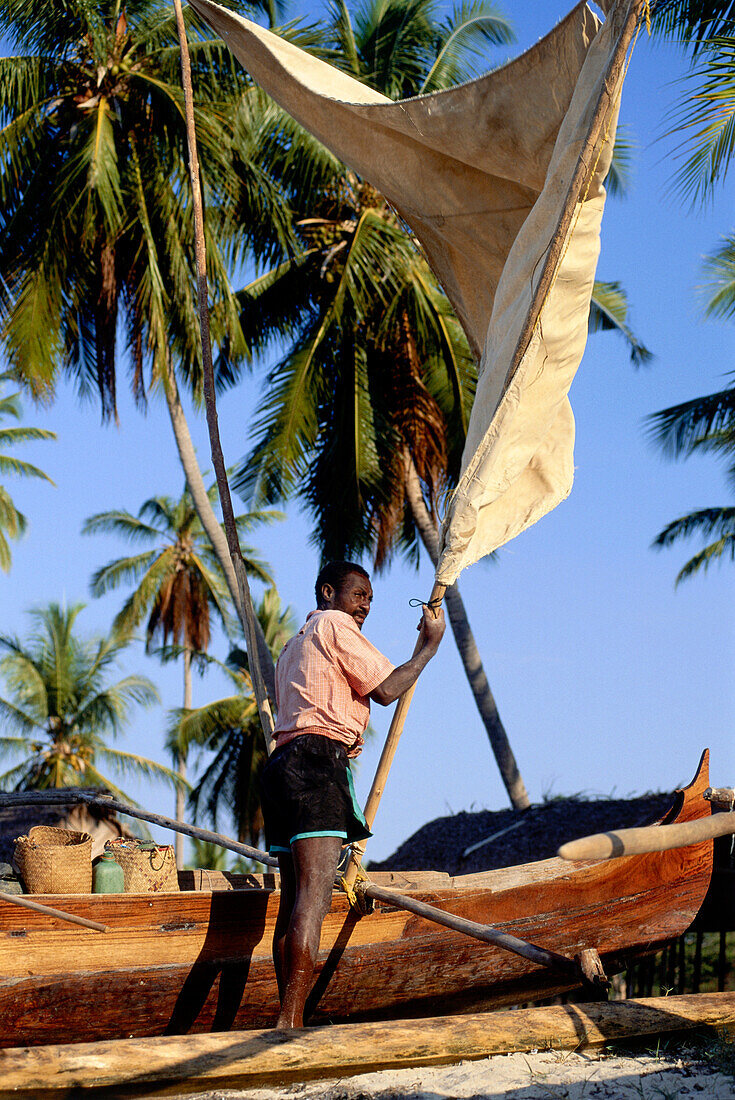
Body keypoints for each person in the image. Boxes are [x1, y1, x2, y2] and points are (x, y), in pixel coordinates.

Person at [259, 560, 446, 1030]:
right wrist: (427, 650)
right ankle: (291, 1022)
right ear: (327, 592)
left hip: (281, 767)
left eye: (368, 600)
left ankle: (289, 1016)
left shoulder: (292, 645)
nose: (363, 607)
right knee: (313, 900)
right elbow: (385, 689)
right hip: (318, 762)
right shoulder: (333, 625)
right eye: (357, 595)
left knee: (292, 900)